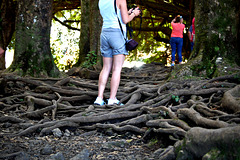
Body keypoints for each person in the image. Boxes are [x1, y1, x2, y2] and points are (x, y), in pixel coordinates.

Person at [94, 0, 141, 106]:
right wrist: (134, 14)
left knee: (106, 68)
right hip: (117, 35)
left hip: (105, 33)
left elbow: (113, 15)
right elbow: (125, 20)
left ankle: (99, 97)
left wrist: (127, 12)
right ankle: (112, 99)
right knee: (117, 69)